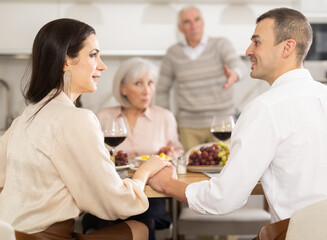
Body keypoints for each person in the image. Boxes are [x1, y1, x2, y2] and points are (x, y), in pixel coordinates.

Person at [148, 7, 327, 229]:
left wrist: (166, 184)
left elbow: (223, 198)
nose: (248, 50)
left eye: (257, 42)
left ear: (287, 47)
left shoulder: (265, 108)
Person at [0, 19, 171, 240]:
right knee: (141, 228)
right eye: (93, 55)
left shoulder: (25, 117)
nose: (102, 65)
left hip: (9, 233)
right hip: (42, 237)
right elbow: (115, 203)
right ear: (65, 61)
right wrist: (144, 172)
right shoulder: (76, 119)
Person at [83, 57, 184, 240]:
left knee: (145, 217)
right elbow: (93, 155)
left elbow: (178, 153)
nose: (147, 90)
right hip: (112, 193)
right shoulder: (105, 115)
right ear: (123, 88)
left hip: (150, 197)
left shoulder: (165, 117)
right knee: (110, 217)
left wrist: (168, 155)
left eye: (151, 83)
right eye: (138, 83)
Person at [155, 5, 247, 152]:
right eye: (187, 22)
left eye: (197, 20)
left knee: (225, 167)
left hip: (222, 123)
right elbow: (161, 91)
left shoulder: (221, 45)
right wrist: (167, 124)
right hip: (188, 127)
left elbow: (240, 66)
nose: (193, 25)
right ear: (180, 28)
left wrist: (234, 74)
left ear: (203, 23)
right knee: (189, 170)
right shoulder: (173, 53)